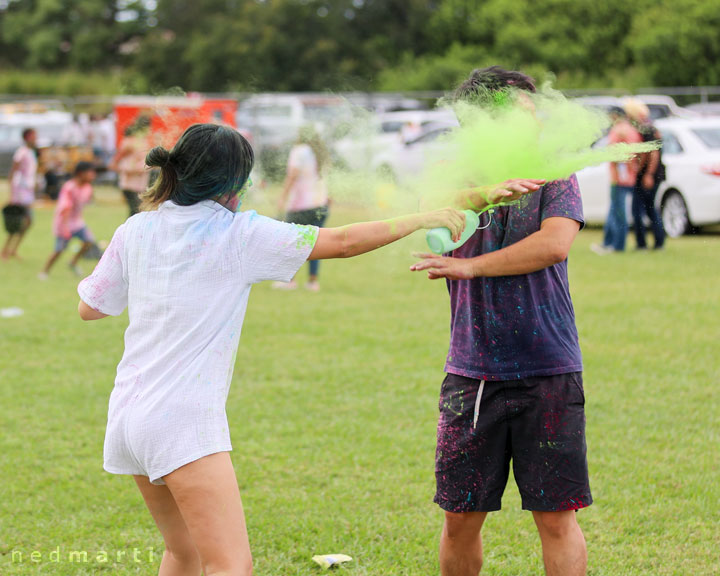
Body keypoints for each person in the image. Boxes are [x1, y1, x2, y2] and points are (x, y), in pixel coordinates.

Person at [75, 123, 464, 576]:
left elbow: (90, 308)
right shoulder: (239, 233)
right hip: (181, 421)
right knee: (229, 564)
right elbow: (340, 242)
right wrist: (420, 218)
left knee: (185, 554)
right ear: (236, 183)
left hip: (128, 415)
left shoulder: (136, 228)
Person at [411, 66, 591, 576]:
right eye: (521, 112)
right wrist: (487, 191)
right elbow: (429, 212)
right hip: (473, 374)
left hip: (548, 367)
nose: (535, 122)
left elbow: (555, 244)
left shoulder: (554, 169)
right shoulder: (452, 169)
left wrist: (469, 266)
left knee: (557, 519)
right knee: (460, 519)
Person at [275, 126, 331, 291]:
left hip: (301, 205)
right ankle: (313, 281)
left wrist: (283, 197)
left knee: (292, 243)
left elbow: (292, 175)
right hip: (321, 203)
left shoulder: (299, 151)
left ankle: (289, 280)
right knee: (316, 245)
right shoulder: (321, 153)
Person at [591, 107, 642, 255]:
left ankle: (617, 245)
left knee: (618, 213)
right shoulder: (631, 130)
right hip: (627, 176)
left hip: (620, 178)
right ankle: (609, 243)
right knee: (615, 211)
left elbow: (616, 152)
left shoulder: (620, 130)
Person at [39, 161, 97, 279]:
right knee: (58, 250)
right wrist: (64, 228)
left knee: (89, 241)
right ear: (81, 174)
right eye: (90, 173)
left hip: (77, 222)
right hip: (64, 223)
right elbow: (65, 208)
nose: (93, 175)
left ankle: (73, 262)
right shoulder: (69, 187)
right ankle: (44, 271)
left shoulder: (87, 187)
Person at [624, 98, 665, 250]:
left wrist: (646, 174)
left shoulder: (646, 128)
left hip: (648, 175)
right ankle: (657, 242)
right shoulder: (650, 126)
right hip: (652, 174)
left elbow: (653, 154)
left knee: (639, 210)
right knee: (649, 208)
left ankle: (644, 243)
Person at [2, 128, 38, 259]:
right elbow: (13, 173)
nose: (36, 139)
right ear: (28, 137)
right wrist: (12, 195)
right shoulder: (21, 153)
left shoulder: (30, 153)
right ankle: (5, 251)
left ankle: (12, 250)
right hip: (20, 193)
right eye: (34, 136)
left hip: (27, 192)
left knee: (27, 222)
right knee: (16, 222)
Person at [111, 124, 150, 217]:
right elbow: (116, 161)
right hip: (130, 183)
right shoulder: (130, 142)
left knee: (137, 210)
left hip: (138, 182)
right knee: (135, 210)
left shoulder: (141, 142)